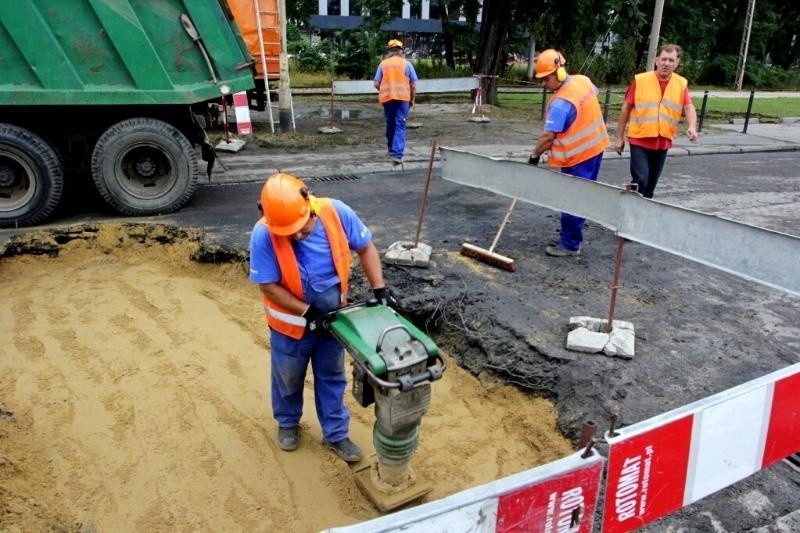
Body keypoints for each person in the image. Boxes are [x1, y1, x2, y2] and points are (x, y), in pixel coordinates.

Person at [249, 172, 398, 462]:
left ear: (309, 205)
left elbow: (366, 247)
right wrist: (307, 313)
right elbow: (268, 285)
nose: (296, 236)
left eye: (301, 229)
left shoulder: (336, 212)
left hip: (332, 321)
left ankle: (336, 435)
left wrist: (380, 289)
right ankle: (288, 423)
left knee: (331, 376)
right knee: (288, 377)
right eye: (288, 233)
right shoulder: (264, 232)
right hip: (290, 328)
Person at [528, 49, 610, 257]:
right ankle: (571, 236)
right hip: (596, 147)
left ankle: (571, 244)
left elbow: (548, 137)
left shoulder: (560, 104)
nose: (544, 84)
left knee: (571, 198)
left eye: (546, 79)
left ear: (559, 74)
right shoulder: (583, 80)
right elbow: (594, 94)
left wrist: (534, 156)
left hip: (578, 156)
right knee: (582, 195)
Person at [615, 43, 698, 198]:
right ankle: (628, 209)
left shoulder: (681, 84)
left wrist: (692, 126)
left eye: (671, 60)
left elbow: (688, 107)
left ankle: (642, 216)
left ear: (677, 63)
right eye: (664, 59)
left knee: (650, 187)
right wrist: (619, 138)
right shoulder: (640, 80)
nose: (667, 63)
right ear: (656, 60)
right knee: (641, 180)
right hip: (639, 140)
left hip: (662, 142)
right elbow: (625, 109)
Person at [373, 38, 418, 165]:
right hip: (403, 99)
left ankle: (391, 150)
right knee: (400, 124)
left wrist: (384, 89)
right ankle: (397, 155)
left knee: (390, 123)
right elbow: (413, 84)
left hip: (388, 99)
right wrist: (411, 98)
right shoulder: (407, 64)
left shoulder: (383, 64)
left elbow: (376, 83)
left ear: (389, 51)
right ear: (401, 51)